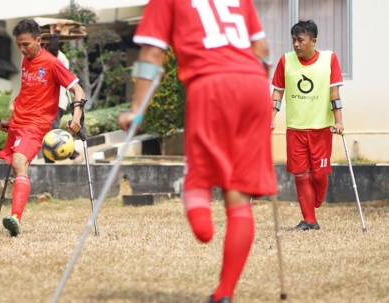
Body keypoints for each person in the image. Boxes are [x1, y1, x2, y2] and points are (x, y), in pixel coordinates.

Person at [118, 1, 277, 302]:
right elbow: (262, 50)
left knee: (199, 175)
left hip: (212, 84)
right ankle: (224, 293)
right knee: (239, 193)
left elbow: (152, 53)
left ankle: (202, 225)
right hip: (255, 86)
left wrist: (136, 110)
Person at [0, 19, 86, 237]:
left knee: (19, 163)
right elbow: (28, 91)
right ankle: (13, 216)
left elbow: (79, 91)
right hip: (19, 122)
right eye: (18, 44)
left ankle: (15, 218)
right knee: (14, 164)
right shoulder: (25, 59)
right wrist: (12, 120)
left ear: (39, 40)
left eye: (26, 44)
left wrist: (76, 116)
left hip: (36, 125)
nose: (22, 49)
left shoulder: (53, 63)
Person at [271, 20, 344, 231]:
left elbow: (335, 94)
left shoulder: (329, 59)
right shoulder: (285, 61)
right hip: (296, 129)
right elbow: (277, 93)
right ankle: (309, 220)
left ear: (313, 41)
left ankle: (315, 201)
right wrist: (271, 116)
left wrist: (338, 121)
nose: (295, 44)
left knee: (319, 175)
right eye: (293, 40)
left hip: (321, 128)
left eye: (300, 40)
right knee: (301, 175)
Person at [43, 20, 83, 163]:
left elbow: (53, 47)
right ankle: (51, 161)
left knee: (51, 132)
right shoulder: (45, 58)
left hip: (58, 101)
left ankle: (74, 154)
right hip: (48, 101)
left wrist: (58, 29)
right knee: (45, 132)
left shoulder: (57, 56)